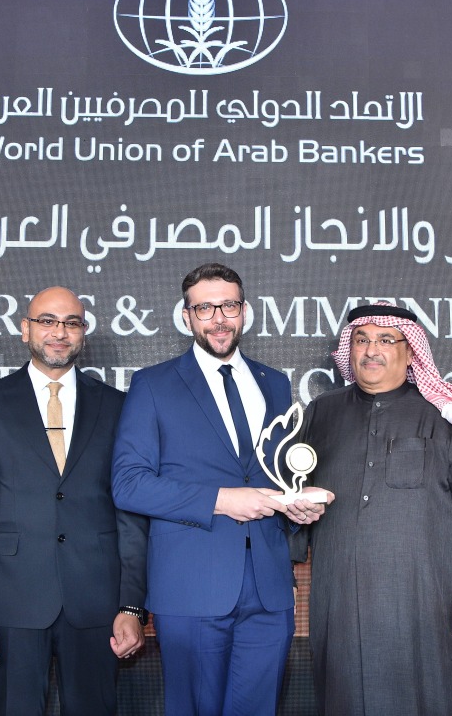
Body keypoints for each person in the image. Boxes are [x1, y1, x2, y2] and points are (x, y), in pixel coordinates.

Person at [111, 262, 326, 716]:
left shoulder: (275, 384)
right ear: (186, 316)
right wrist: (222, 501)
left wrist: (295, 510)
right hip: (191, 586)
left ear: (244, 311)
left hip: (268, 590)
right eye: (204, 308)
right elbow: (128, 485)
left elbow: (277, 475)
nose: (218, 318)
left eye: (228, 305)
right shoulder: (153, 385)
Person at [293, 302, 452, 716]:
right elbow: (296, 491)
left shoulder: (448, 415)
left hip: (427, 598)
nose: (371, 350)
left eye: (386, 339)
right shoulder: (323, 411)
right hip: (341, 599)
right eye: (361, 339)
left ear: (411, 352)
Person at [0, 286, 147, 716]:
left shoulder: (117, 406)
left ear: (83, 333)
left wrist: (132, 604)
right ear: (25, 330)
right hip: (10, 603)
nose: (60, 332)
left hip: (97, 604)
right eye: (47, 321)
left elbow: (130, 513)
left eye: (72, 323)